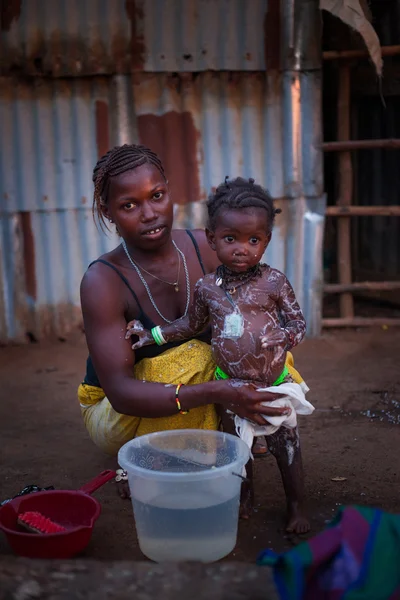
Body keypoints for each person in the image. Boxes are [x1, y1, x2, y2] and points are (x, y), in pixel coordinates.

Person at [78, 144, 307, 533]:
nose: (149, 214)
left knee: (260, 340)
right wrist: (222, 392)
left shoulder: (209, 245)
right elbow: (119, 391)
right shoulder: (102, 280)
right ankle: (153, 464)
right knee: (195, 356)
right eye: (129, 206)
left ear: (169, 190)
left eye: (156, 196)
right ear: (108, 212)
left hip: (205, 388)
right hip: (120, 413)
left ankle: (254, 427)